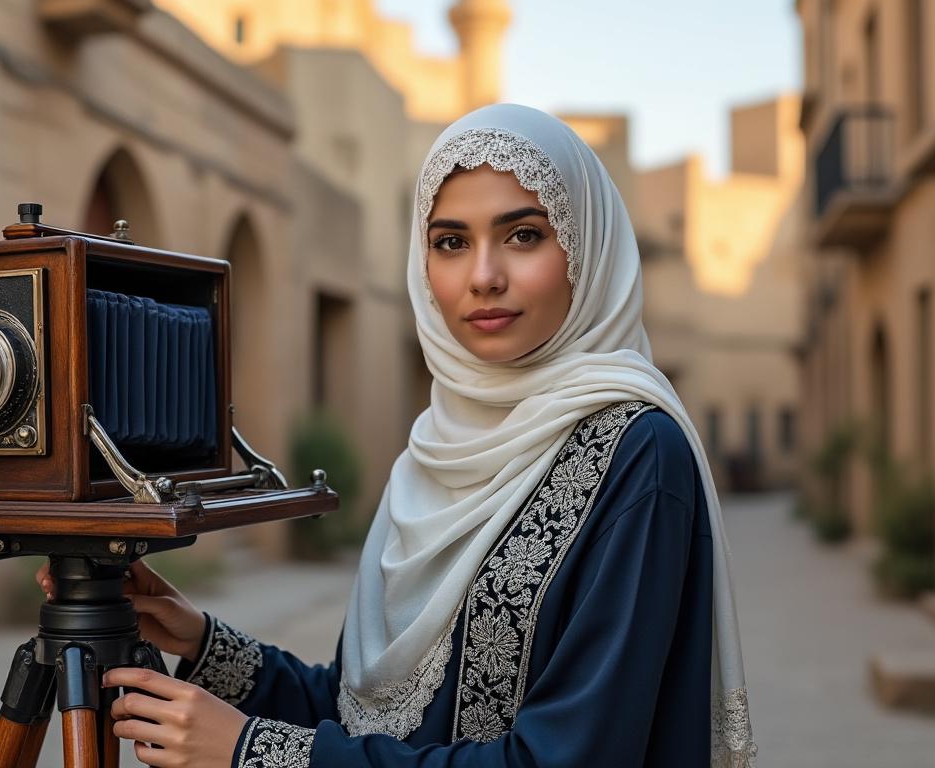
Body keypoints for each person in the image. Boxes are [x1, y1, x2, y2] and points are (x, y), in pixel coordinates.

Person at [38, 103, 757, 767]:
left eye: (524, 235)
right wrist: (200, 639)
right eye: (451, 242)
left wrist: (255, 752)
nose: (483, 276)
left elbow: (569, 756)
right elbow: (365, 713)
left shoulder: (637, 452)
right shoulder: (432, 452)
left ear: (586, 249)